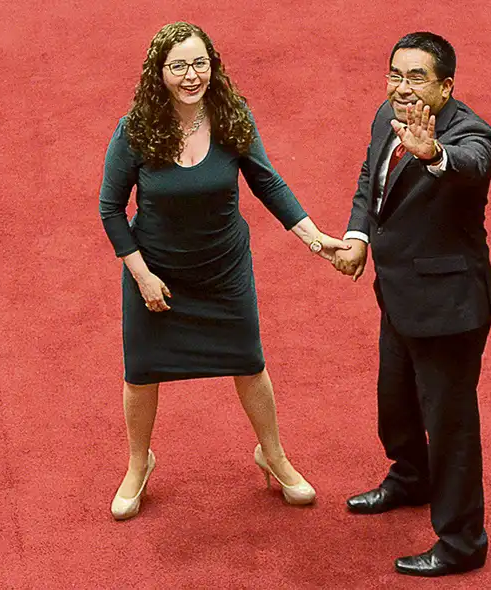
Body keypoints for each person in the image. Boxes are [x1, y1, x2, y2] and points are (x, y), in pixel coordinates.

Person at [98, 21, 348, 520]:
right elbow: (110, 208)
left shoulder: (232, 116)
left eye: (200, 63)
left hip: (223, 270)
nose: (191, 75)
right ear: (158, 72)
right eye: (178, 66)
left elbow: (268, 183)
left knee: (249, 364)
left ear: (212, 66)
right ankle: (138, 463)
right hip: (157, 274)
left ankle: (272, 455)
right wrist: (141, 275)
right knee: (142, 373)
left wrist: (314, 237)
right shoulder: (135, 130)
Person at [333, 32, 491, 577]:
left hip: (449, 309)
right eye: (395, 75)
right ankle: (410, 478)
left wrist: (434, 154)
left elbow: (469, 164)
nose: (401, 89)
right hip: (399, 294)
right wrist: (358, 235)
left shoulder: (471, 134)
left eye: (417, 78)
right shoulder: (388, 115)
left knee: (450, 427)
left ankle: (462, 542)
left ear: (446, 87)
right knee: (396, 402)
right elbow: (371, 177)